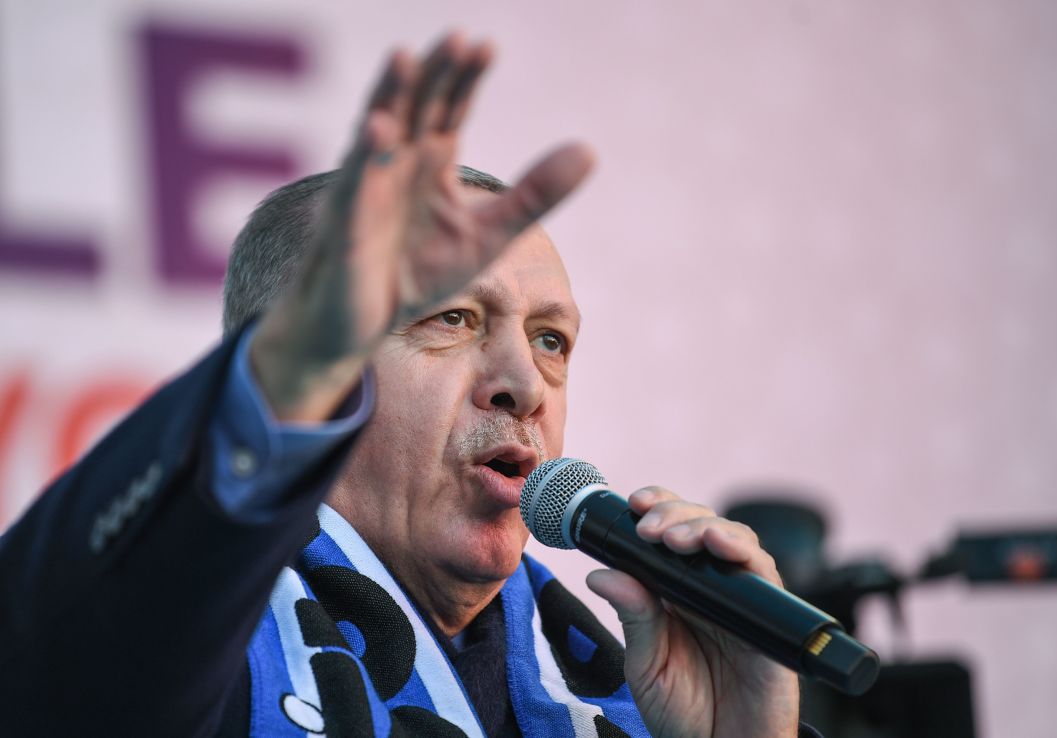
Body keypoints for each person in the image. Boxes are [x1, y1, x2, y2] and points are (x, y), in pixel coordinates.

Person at [0, 33, 812, 737]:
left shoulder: (635, 697)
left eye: (551, 341)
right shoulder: (185, 654)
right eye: (451, 318)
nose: (523, 384)